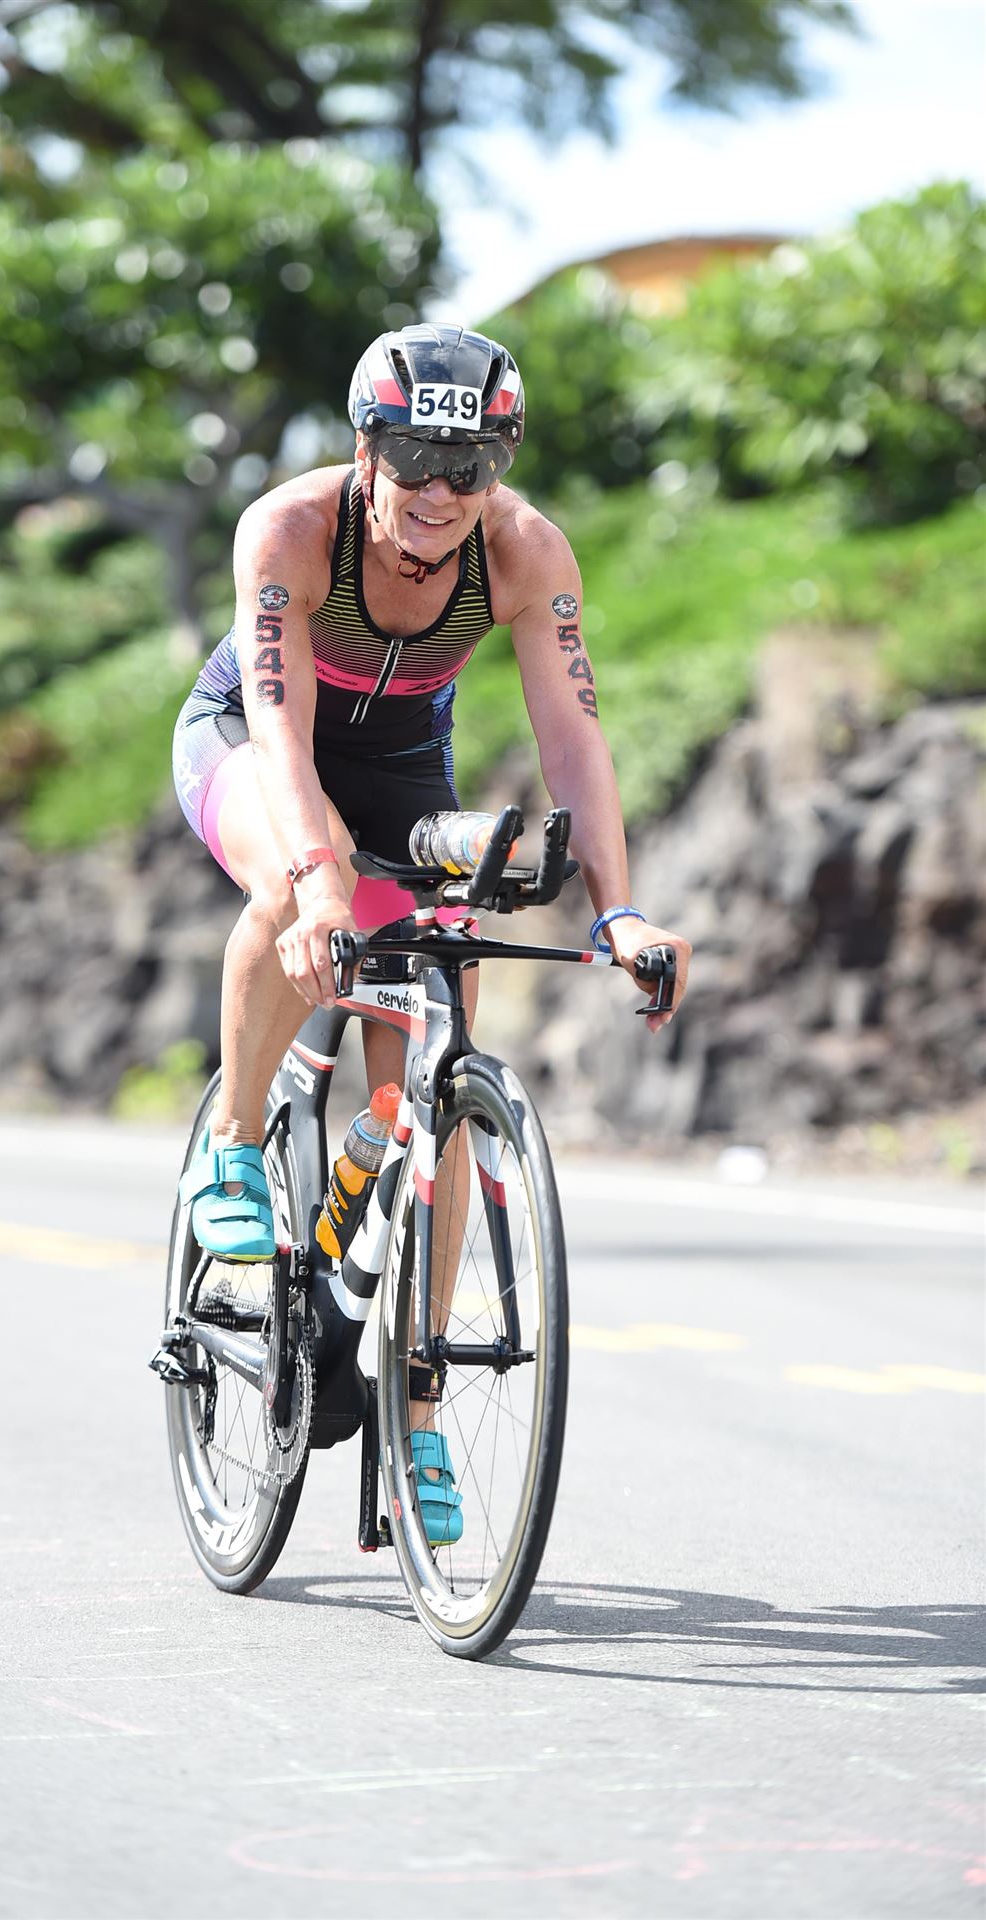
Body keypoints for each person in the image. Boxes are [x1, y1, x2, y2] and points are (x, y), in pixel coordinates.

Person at [171, 322, 691, 1537]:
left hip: (406, 770)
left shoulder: (524, 550)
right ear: (366, 448)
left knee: (431, 1087)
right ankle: (233, 1146)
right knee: (293, 883)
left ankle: (415, 1420)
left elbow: (573, 740)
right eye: (412, 457)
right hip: (257, 742)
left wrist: (618, 910)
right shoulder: (291, 530)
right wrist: (317, 883)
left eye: (471, 465)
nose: (440, 491)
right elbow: (282, 732)